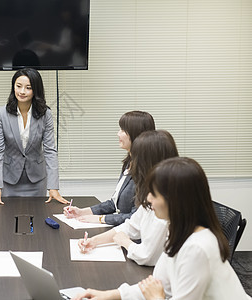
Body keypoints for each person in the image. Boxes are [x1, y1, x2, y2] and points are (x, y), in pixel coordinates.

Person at [73, 157, 251, 300]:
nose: (148, 200)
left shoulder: (197, 247)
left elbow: (157, 293)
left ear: (175, 200)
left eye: (154, 194)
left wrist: (156, 298)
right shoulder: (178, 231)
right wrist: (107, 295)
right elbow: (157, 284)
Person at [78, 130, 179, 266]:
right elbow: (131, 226)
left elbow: (147, 256)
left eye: (136, 158)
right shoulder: (153, 193)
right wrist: (94, 241)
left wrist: (124, 241)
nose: (133, 163)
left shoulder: (165, 205)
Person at [0, 68, 68, 205]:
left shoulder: (46, 114)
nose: (22, 91)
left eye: (28, 87)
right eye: (18, 86)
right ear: (13, 87)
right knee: (7, 220)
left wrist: (53, 187)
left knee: (37, 220)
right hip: (9, 180)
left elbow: (50, 151)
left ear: (36, 90)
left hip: (37, 180)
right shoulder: (1, 114)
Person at [63, 111, 155, 226]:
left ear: (136, 134)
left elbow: (136, 216)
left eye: (123, 130)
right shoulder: (129, 163)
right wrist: (82, 212)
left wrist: (102, 219)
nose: (118, 134)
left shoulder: (146, 170)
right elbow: (114, 203)